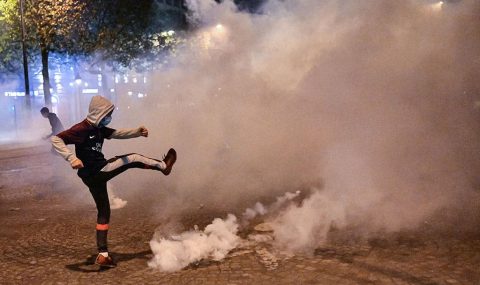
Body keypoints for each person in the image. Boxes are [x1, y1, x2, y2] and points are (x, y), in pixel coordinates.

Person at [51, 95, 177, 268]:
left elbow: (117, 133)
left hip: (91, 177)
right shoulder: (81, 129)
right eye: (107, 114)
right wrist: (71, 158)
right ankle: (164, 166)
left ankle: (103, 254)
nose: (109, 118)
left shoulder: (99, 128)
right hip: (98, 170)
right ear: (98, 113)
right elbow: (56, 139)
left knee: (103, 211)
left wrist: (136, 132)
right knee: (133, 158)